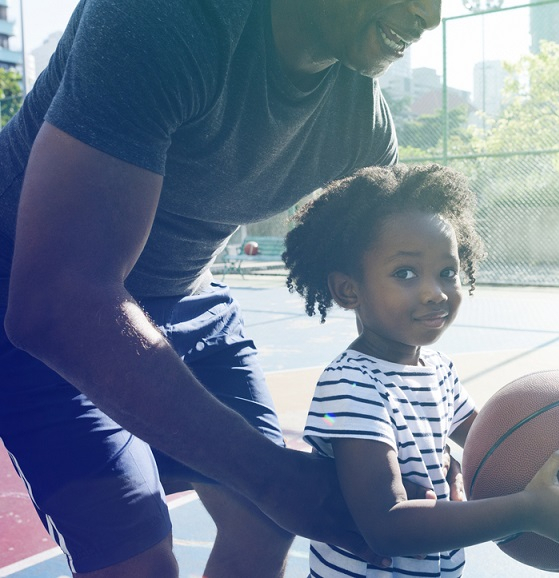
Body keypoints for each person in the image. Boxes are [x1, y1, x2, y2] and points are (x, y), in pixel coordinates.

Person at [0, 1, 449, 576]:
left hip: (187, 295)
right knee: (140, 563)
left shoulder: (360, 125)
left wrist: (430, 436)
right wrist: (271, 476)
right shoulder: (166, 17)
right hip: (37, 288)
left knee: (265, 525)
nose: (429, 16)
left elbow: (394, 305)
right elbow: (57, 302)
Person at [281, 163, 559, 577]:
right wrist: (528, 511)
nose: (435, 292)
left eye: (447, 272)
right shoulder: (351, 384)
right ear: (348, 290)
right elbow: (385, 526)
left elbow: (497, 441)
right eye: (405, 273)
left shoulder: (437, 369)